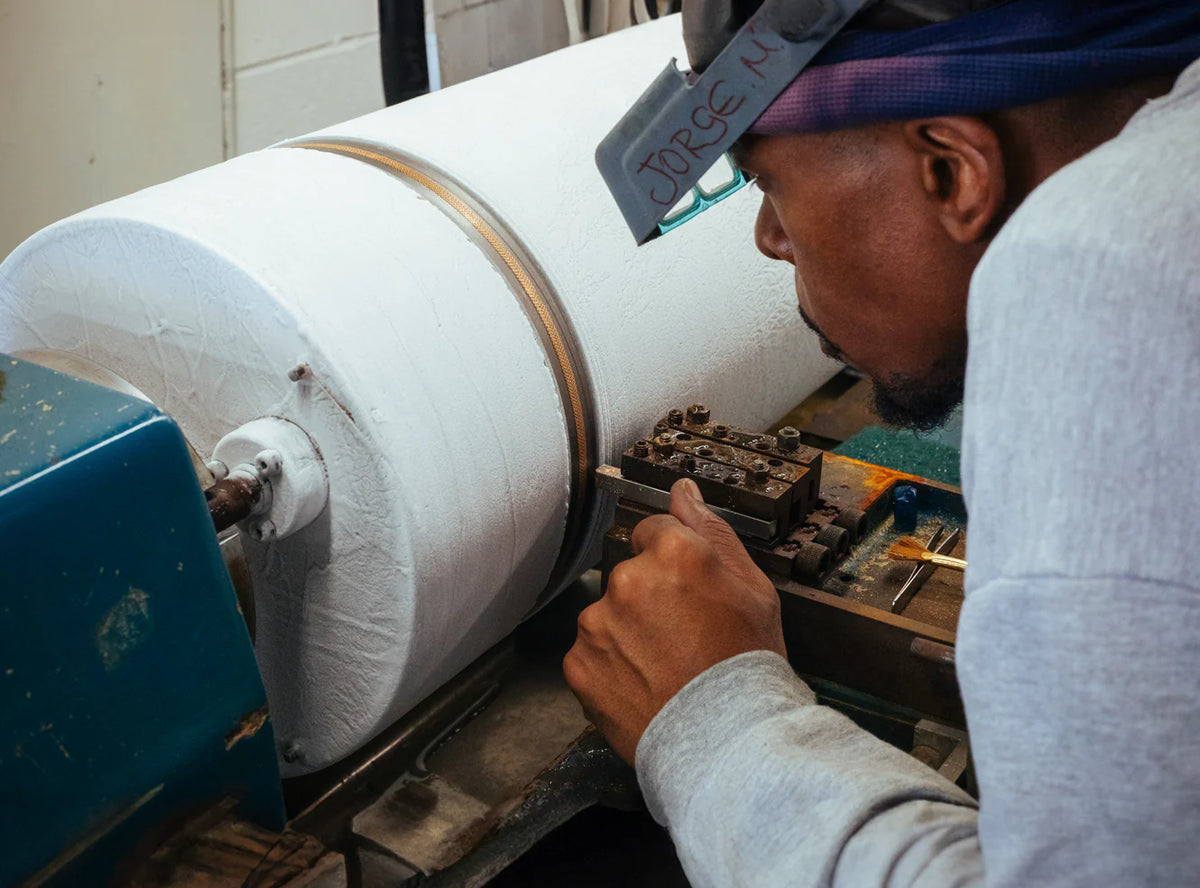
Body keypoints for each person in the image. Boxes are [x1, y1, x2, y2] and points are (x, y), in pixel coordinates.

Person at [564, 0, 1200, 884]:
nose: (768, 241)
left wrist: (717, 722)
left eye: (771, 187)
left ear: (952, 170)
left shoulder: (1105, 273)